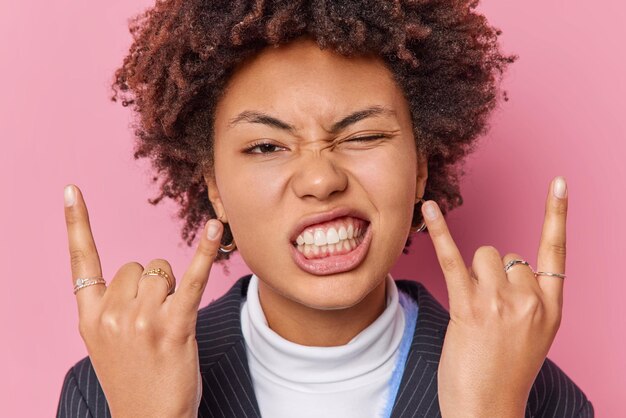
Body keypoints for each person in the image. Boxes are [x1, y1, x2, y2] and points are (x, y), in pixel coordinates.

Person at [56, 0, 594, 417]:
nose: (320, 179)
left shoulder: (528, 386)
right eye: (266, 146)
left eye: (362, 135)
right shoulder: (106, 388)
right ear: (214, 186)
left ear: (421, 167)